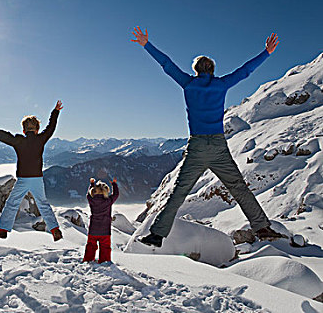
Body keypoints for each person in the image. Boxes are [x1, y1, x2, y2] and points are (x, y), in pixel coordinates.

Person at [130, 27, 282, 247]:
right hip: (219, 146)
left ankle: (157, 235)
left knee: (179, 191)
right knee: (238, 188)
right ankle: (262, 227)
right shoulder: (221, 85)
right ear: (212, 70)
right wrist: (266, 53)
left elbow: (167, 65)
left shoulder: (189, 84)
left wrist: (147, 44)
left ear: (196, 70)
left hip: (198, 147)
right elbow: (245, 71)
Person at [0, 101, 64, 241]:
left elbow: (5, 136)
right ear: (37, 129)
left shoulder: (19, 140)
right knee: (43, 204)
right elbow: (51, 127)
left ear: (23, 130)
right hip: (37, 178)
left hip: (23, 179)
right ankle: (55, 229)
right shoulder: (41, 139)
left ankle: (2, 230)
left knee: (12, 203)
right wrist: (55, 112)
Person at [83, 178, 119, 263]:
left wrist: (91, 184)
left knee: (91, 246)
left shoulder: (91, 200)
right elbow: (116, 194)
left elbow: (88, 195)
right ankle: (104, 261)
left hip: (93, 229)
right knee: (105, 247)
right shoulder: (108, 201)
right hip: (105, 230)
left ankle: (88, 260)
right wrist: (114, 184)